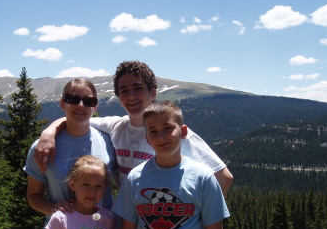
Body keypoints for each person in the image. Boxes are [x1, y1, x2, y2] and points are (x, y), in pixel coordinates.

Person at [34, 60, 233, 195]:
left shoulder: (173, 134)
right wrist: (49, 132)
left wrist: (197, 218)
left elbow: (224, 178)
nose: (131, 96)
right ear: (118, 97)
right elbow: (79, 119)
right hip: (126, 228)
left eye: (138, 89)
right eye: (124, 91)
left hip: (163, 228)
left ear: (153, 92)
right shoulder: (115, 126)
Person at [113, 101, 230, 229]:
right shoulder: (135, 178)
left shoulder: (203, 177)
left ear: (183, 132)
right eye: (153, 131)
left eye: (168, 128)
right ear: (147, 139)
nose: (161, 137)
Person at [24, 78, 117, 229]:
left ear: (96, 106)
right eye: (73, 99)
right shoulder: (41, 148)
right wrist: (55, 209)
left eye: (88, 100)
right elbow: (33, 197)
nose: (80, 105)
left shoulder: (108, 141)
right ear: (62, 103)